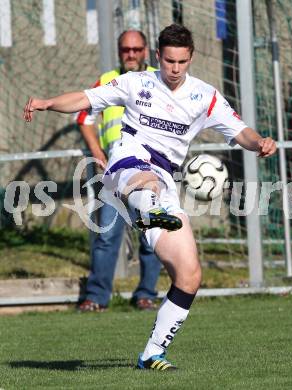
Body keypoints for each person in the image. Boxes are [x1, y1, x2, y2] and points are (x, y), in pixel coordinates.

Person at [23, 24, 277, 371]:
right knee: (147, 182)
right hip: (127, 163)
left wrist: (260, 142)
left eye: (182, 62)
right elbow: (85, 98)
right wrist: (47, 103)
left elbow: (240, 130)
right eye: (169, 60)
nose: (175, 69)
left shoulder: (206, 96)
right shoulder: (136, 82)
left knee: (189, 275)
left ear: (191, 58)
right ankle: (151, 211)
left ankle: (151, 353)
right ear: (159, 56)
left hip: (166, 180)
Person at [76, 30, 161, 312]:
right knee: (107, 234)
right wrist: (97, 152)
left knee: (152, 234)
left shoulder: (160, 80)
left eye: (137, 49)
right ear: (119, 50)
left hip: (150, 173)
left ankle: (146, 294)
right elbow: (84, 117)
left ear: (146, 51)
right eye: (126, 49)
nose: (132, 54)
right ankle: (97, 297)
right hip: (114, 174)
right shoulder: (107, 80)